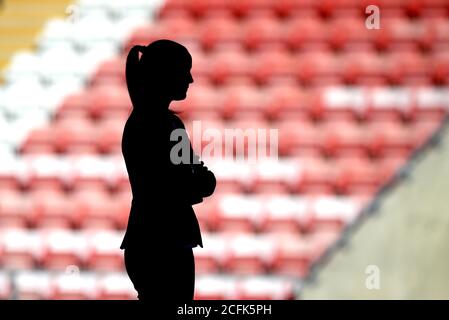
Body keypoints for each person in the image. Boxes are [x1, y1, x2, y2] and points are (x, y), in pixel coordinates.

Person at [120, 39, 216, 301]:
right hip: (166, 244)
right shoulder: (167, 125)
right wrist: (201, 184)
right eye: (184, 71)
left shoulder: (140, 122)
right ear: (165, 75)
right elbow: (191, 180)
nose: (190, 79)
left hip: (145, 241)